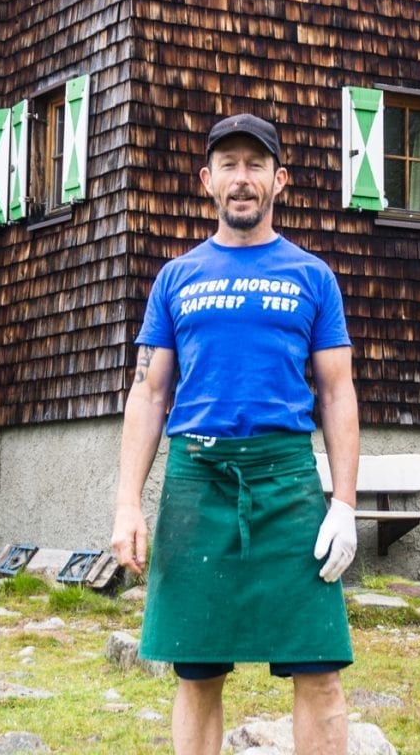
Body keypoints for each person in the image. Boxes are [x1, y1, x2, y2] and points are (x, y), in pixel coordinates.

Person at [111, 113, 360, 755]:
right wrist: (127, 502)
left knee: (320, 668)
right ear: (207, 180)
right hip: (197, 482)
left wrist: (345, 504)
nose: (242, 179)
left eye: (255, 165)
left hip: (288, 482)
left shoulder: (312, 276)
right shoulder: (176, 277)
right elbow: (150, 392)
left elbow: (336, 391)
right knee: (196, 671)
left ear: (280, 180)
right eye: (229, 165)